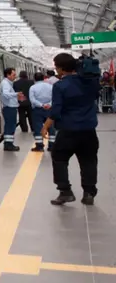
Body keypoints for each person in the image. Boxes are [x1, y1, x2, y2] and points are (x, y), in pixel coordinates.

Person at [43, 53, 100, 206]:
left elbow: (55, 111)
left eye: (56, 66)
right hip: (89, 131)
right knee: (88, 161)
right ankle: (89, 193)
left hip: (68, 131)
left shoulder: (60, 86)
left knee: (59, 158)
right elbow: (95, 95)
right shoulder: (92, 82)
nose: (56, 69)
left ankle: (65, 191)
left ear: (61, 69)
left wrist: (46, 126)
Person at [0, 68, 23, 151]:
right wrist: (16, 94)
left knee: (10, 126)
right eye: (13, 75)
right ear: (8, 75)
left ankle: (8, 143)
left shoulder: (8, 83)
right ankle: (8, 145)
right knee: (10, 126)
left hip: (10, 108)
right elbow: (6, 94)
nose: (15, 76)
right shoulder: (5, 83)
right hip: (9, 108)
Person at [29, 72, 53, 152]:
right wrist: (49, 104)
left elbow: (32, 100)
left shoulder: (32, 88)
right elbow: (55, 98)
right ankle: (52, 146)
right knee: (51, 128)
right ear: (44, 78)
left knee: (38, 127)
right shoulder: (51, 87)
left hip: (37, 110)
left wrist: (41, 105)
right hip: (49, 110)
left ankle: (39, 146)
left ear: (34, 79)